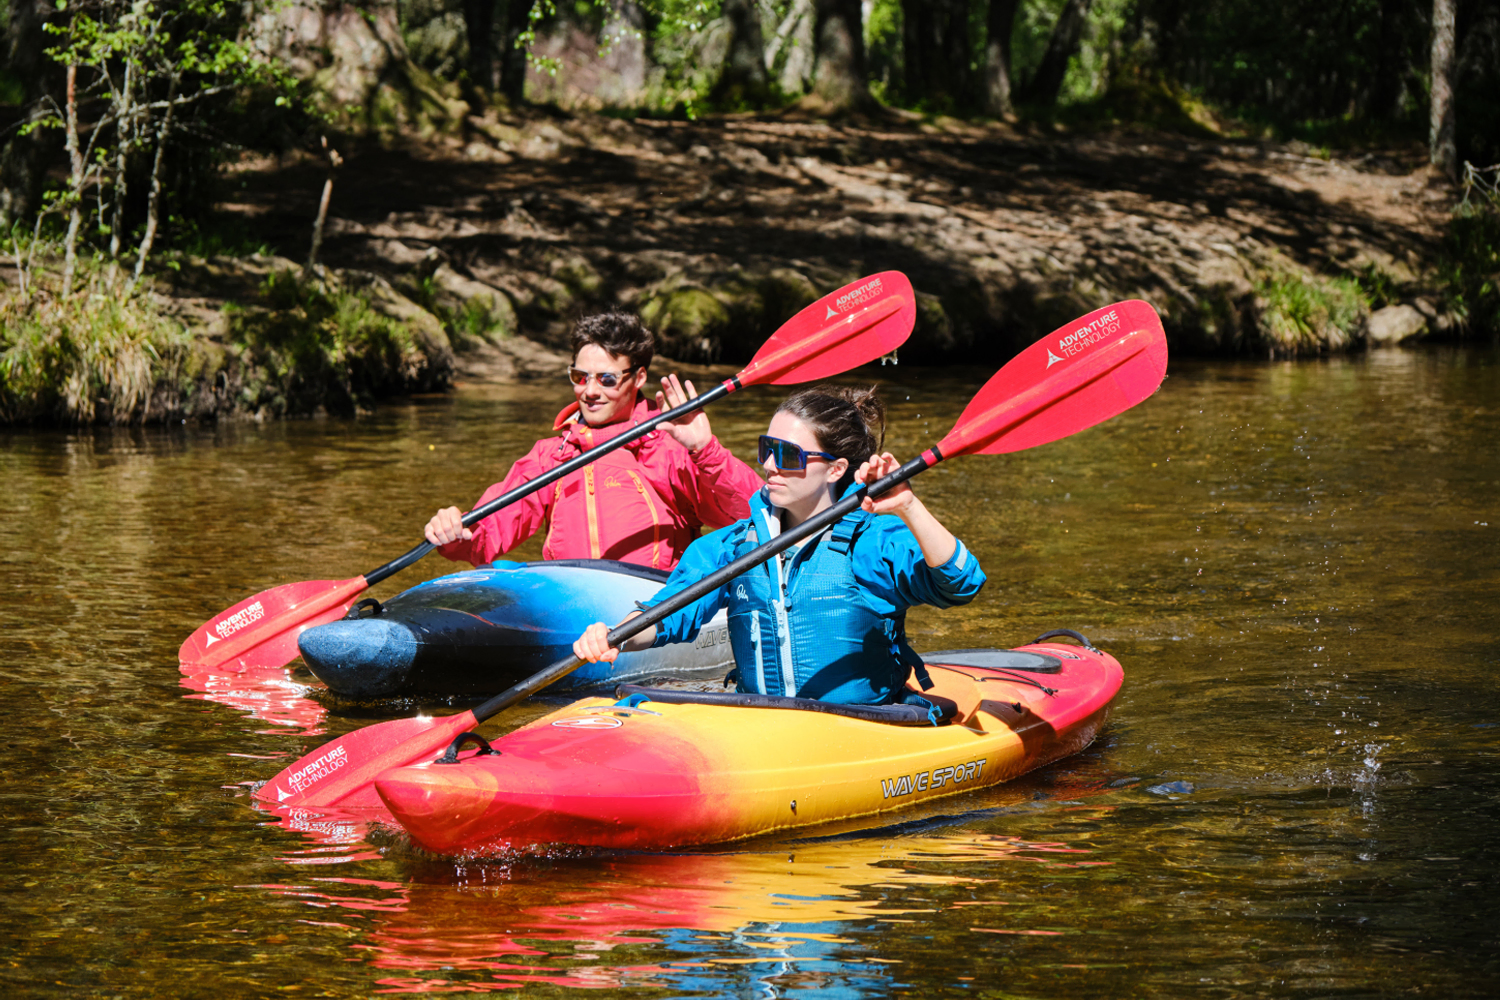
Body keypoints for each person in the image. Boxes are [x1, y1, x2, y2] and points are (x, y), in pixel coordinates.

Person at [572, 385, 986, 706]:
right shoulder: (734, 546)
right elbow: (671, 614)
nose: (769, 466)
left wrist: (909, 506)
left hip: (866, 727)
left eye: (787, 455)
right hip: (764, 725)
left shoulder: (872, 540)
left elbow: (961, 583)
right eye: (767, 450)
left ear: (835, 469)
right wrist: (617, 636)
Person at [424, 313, 764, 571]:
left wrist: (706, 450)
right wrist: (456, 532)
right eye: (579, 377)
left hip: (654, 607)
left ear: (639, 377)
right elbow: (488, 534)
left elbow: (755, 518)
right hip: (572, 603)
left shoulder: (670, 446)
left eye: (606, 379)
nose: (589, 391)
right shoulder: (552, 455)